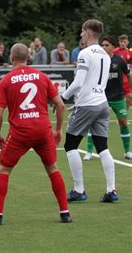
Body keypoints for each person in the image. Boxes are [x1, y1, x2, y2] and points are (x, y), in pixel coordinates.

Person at [0, 43, 71, 226]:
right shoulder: (41, 76)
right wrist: (58, 129)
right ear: (28, 57)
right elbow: (61, 105)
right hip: (42, 129)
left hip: (20, 132)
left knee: (4, 170)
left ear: (11, 58)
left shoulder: (6, 81)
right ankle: (65, 213)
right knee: (53, 168)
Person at [60, 19, 118, 203]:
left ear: (88, 32)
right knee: (103, 146)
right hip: (102, 103)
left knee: (70, 145)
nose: (81, 34)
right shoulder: (106, 55)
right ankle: (111, 191)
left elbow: (78, 83)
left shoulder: (85, 53)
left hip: (87, 104)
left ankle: (79, 190)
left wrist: (61, 98)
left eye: (82, 31)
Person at [83, 36, 132, 160]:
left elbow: (128, 74)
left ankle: (127, 151)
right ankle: (89, 152)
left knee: (123, 123)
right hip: (100, 98)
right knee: (93, 123)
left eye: (106, 45)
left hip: (118, 98)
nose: (104, 47)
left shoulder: (119, 61)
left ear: (113, 47)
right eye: (102, 45)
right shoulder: (98, 60)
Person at [113, 35, 132, 108]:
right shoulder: (115, 51)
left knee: (129, 97)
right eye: (121, 42)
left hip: (126, 78)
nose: (123, 43)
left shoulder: (130, 52)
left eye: (124, 42)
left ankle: (124, 113)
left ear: (127, 42)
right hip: (116, 78)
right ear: (119, 42)